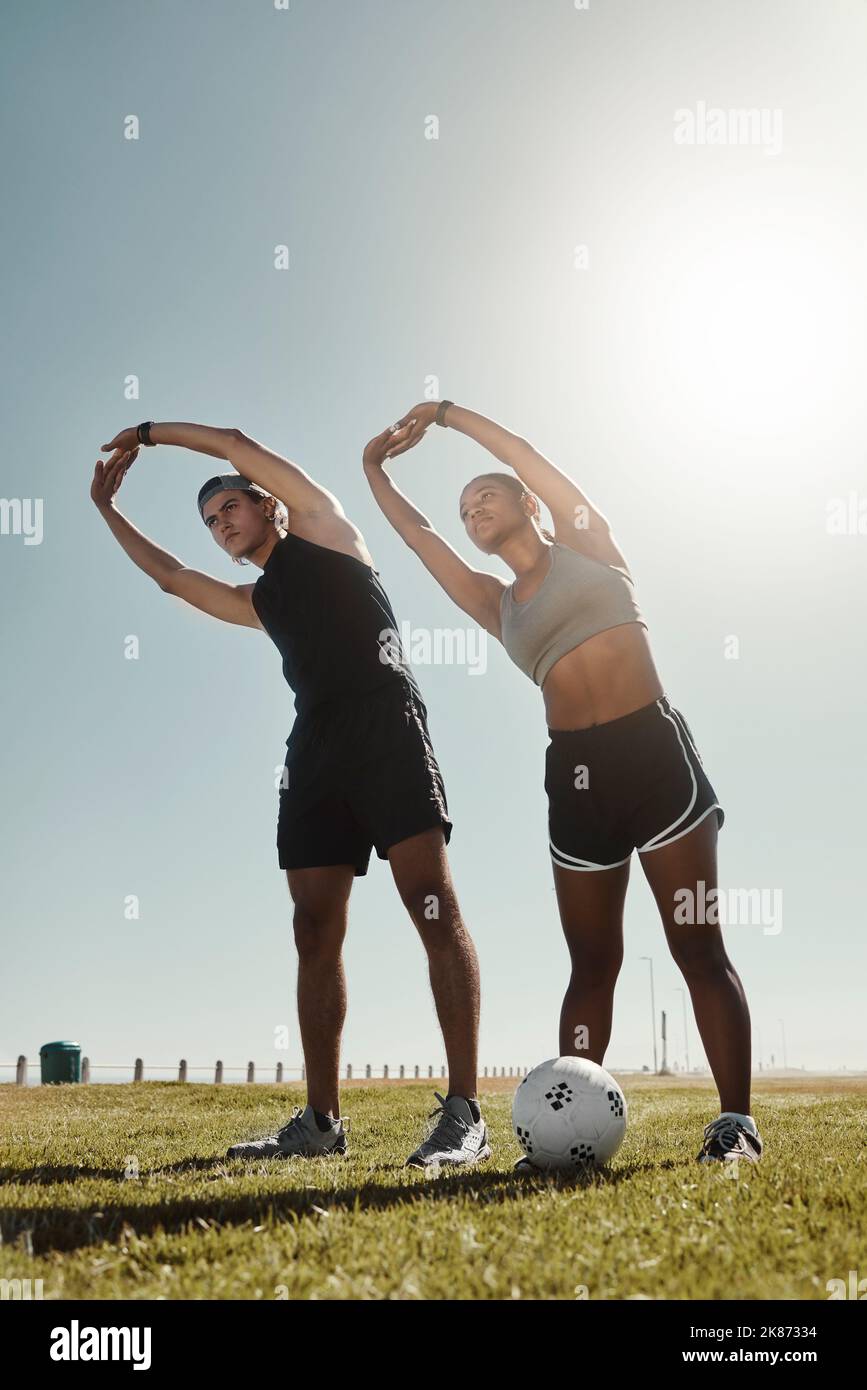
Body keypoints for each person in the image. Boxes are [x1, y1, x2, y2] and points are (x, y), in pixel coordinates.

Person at [363, 400, 763, 1165]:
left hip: (652, 754)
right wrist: (373, 468)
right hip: (574, 779)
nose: (472, 511)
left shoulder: (588, 543)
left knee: (696, 947)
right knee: (591, 962)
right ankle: (566, 1130)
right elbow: (418, 538)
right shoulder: (494, 603)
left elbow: (522, 450)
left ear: (528, 503)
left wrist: (445, 415)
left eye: (485, 496)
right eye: (464, 510)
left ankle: (733, 1124)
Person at [92, 420, 491, 1169]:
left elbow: (235, 442)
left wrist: (148, 434)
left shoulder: (325, 529)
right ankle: (321, 1124)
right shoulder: (260, 600)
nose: (221, 524)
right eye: (210, 521)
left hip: (386, 726)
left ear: (267, 503)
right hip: (315, 749)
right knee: (313, 929)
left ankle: (465, 1113)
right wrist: (105, 509)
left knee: (430, 904)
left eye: (230, 507)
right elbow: (172, 578)